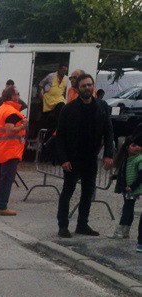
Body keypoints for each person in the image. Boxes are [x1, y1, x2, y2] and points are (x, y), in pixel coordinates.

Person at [55, 73, 115, 238]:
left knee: (88, 192)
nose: (87, 88)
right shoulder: (68, 109)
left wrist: (109, 154)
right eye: (84, 86)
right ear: (77, 89)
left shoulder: (102, 106)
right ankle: (63, 225)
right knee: (68, 191)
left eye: (89, 85)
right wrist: (64, 159)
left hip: (91, 157)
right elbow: (59, 136)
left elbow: (108, 132)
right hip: (73, 158)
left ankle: (82, 224)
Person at [0, 85, 29, 216]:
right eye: (17, 94)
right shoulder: (12, 112)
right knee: (6, 179)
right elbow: (9, 131)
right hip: (10, 150)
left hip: (1, 149)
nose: (19, 96)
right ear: (12, 96)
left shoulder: (1, 109)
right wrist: (23, 125)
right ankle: (1, 206)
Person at [107, 136, 142, 251]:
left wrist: (132, 187)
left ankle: (120, 231)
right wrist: (115, 177)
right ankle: (125, 231)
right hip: (127, 187)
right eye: (134, 145)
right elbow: (126, 172)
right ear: (127, 147)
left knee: (127, 208)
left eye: (138, 145)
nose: (137, 147)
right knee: (128, 207)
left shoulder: (138, 159)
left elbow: (140, 176)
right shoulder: (128, 159)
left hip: (131, 188)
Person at [38, 64, 68, 129]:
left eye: (65, 71)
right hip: (48, 99)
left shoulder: (66, 78)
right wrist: (40, 93)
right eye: (63, 70)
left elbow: (65, 90)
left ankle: (57, 128)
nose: (64, 72)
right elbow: (41, 84)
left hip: (59, 99)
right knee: (44, 117)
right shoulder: (51, 76)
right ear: (59, 69)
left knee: (61, 108)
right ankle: (41, 132)